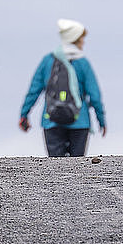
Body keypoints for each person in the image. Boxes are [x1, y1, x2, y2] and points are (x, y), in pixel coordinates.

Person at [19, 19, 106, 157]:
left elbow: (33, 91)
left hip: (51, 120)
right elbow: (94, 96)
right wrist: (101, 120)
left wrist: (24, 115)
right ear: (76, 39)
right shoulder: (82, 63)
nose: (83, 42)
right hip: (80, 121)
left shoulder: (48, 61)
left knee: (56, 169)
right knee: (77, 168)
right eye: (82, 39)